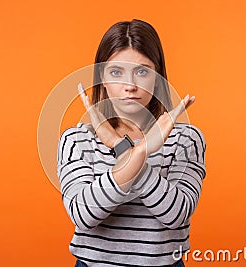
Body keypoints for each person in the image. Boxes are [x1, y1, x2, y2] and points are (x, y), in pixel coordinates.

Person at [57, 19, 206, 267]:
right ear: (101, 78)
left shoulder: (186, 139)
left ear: (158, 78)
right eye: (116, 72)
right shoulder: (77, 140)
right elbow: (84, 215)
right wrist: (139, 151)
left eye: (142, 71)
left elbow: (177, 214)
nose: (130, 86)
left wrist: (122, 147)